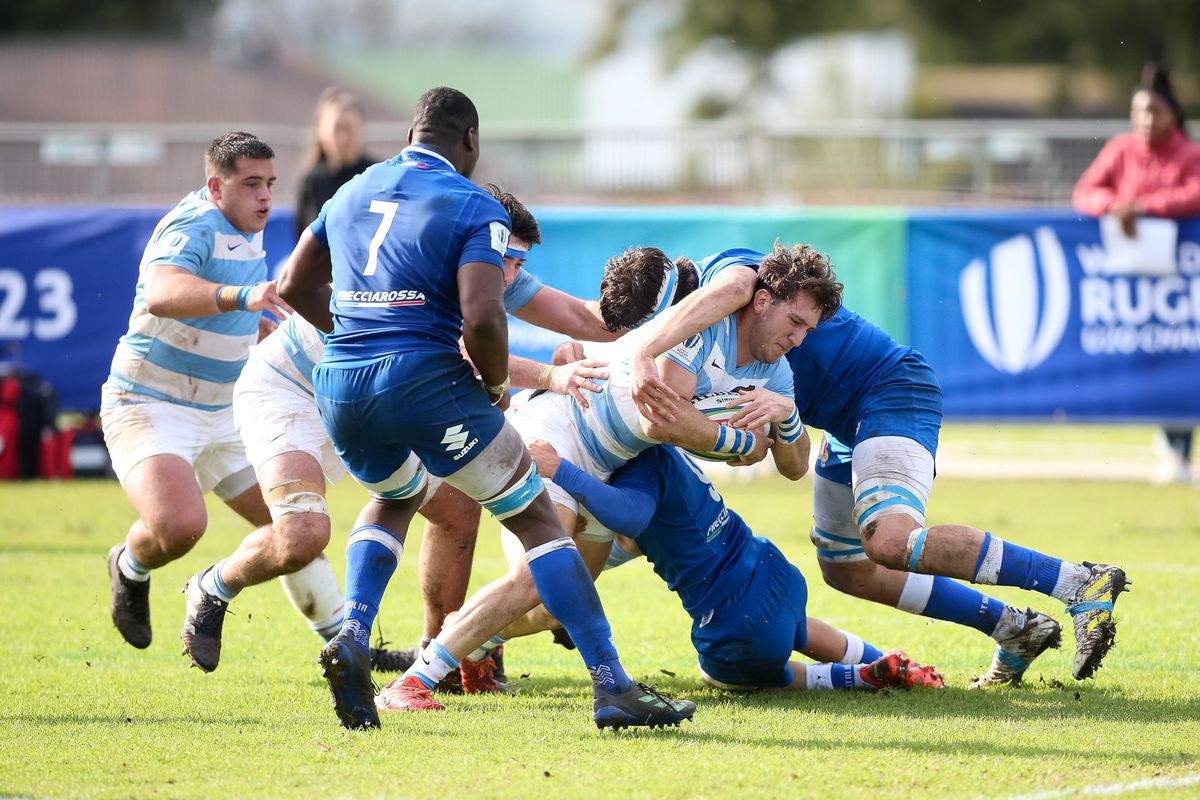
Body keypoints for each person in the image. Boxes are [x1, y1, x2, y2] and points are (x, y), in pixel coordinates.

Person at [277, 86, 695, 731]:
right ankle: (613, 688)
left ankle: (353, 637)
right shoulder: (473, 206)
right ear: (470, 141)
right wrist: (498, 388)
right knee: (537, 523)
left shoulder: (352, 189)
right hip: (423, 379)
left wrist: (356, 333)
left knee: (396, 496)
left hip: (341, 382)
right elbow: (481, 315)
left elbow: (292, 285)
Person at [627, 244, 1130, 686]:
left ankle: (1078, 582)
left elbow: (734, 284)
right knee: (848, 571)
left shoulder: (736, 278)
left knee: (891, 540)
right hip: (844, 427)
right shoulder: (721, 347)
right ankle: (1014, 627)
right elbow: (774, 452)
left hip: (891, 392)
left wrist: (646, 355)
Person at [373, 243, 837, 711]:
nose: (798, 339)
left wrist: (788, 417)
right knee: (536, 576)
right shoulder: (703, 326)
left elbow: (794, 467)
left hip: (610, 461)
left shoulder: (776, 375)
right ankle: (412, 682)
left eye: (809, 330)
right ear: (761, 302)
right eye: (794, 323)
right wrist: (743, 445)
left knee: (556, 603)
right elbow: (662, 419)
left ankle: (469, 638)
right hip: (560, 429)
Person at [178, 185, 616, 675]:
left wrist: (677, 305)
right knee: (302, 535)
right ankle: (213, 586)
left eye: (519, 259)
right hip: (290, 389)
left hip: (370, 395)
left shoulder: (487, 263)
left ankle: (437, 652)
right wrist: (551, 375)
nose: (512, 271)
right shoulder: (422, 259)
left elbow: (584, 317)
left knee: (458, 508)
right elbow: (462, 351)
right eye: (508, 256)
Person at [527, 439, 945, 693]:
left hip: (738, 621)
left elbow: (631, 518)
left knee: (720, 676)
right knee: (794, 625)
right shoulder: (667, 451)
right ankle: (887, 662)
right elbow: (636, 537)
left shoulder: (636, 464)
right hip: (772, 570)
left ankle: (851, 679)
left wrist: (562, 471)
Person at [102, 132, 292, 657]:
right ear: (215, 187)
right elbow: (163, 294)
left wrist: (264, 333)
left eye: (270, 184)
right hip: (150, 402)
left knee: (295, 522)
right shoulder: (194, 225)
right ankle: (130, 565)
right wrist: (244, 296)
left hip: (223, 411)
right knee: (181, 527)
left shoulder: (245, 228)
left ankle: (347, 643)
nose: (265, 196)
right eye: (251, 183)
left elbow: (231, 316)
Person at [1072, 62, 1200, 485]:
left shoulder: (1189, 153)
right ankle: (1168, 441)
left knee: (1181, 355)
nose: (1146, 121)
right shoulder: (1120, 149)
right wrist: (1114, 206)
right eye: (1139, 111)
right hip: (1129, 284)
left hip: (1181, 283)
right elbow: (1085, 191)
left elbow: (1194, 192)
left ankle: (1180, 448)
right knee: (1149, 356)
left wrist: (1143, 207)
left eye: (1155, 112)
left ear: (1173, 115)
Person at [294, 88, 375, 243]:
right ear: (320, 131)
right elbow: (301, 241)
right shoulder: (311, 182)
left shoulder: (377, 176)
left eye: (349, 128)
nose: (343, 138)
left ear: (362, 129)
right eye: (337, 128)